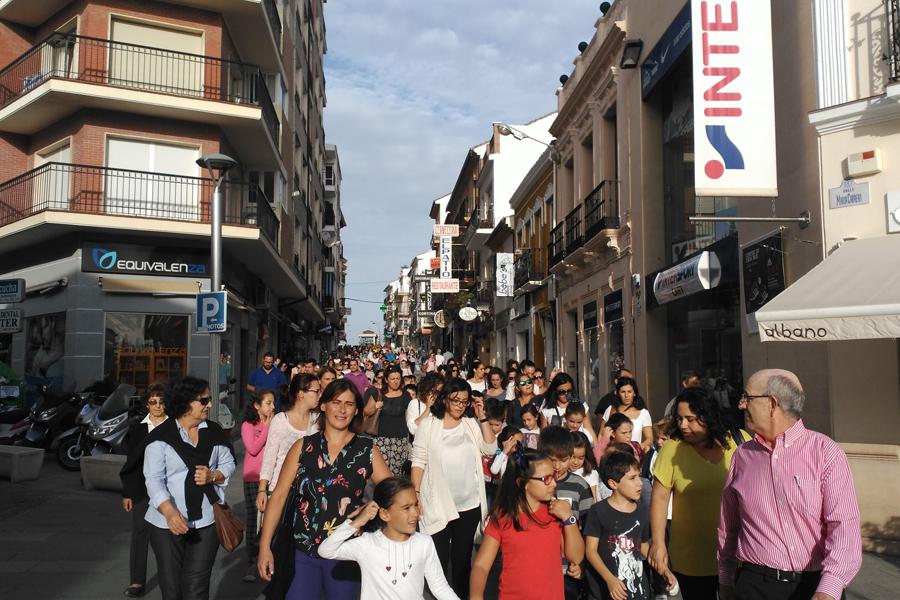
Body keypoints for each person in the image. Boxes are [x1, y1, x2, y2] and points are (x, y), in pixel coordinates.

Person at [718, 370, 862, 600]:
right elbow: (729, 526)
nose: (741, 405)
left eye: (747, 397)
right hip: (754, 584)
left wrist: (829, 589)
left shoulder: (825, 453)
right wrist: (725, 578)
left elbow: (844, 527)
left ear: (772, 403)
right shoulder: (742, 456)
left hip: (814, 585)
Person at [257, 379, 393, 600]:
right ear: (323, 405)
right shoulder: (303, 447)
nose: (341, 409)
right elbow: (280, 496)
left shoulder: (367, 450)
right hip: (302, 551)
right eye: (336, 402)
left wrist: (369, 515)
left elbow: (392, 494)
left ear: (357, 409)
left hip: (345, 553)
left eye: (349, 404)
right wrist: (265, 546)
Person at [647, 386, 749, 599]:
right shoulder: (672, 449)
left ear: (708, 417)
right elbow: (659, 498)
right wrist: (657, 544)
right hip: (691, 559)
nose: (683, 425)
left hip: (738, 553)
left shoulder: (740, 442)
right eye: (680, 419)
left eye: (690, 419)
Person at [143, 377, 236, 600]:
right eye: (204, 400)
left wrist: (213, 475)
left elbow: (228, 462)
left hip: (206, 520)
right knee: (172, 589)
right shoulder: (161, 437)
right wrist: (169, 512)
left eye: (209, 399)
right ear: (185, 402)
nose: (210, 405)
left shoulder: (213, 431)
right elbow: (153, 479)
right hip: (166, 523)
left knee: (196, 589)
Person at [410, 378, 497, 598]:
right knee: (437, 561)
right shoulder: (429, 425)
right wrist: (415, 495)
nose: (459, 405)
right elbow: (418, 461)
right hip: (437, 503)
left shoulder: (470, 424)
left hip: (468, 504)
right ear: (445, 399)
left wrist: (482, 417)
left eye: (464, 402)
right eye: (455, 400)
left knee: (462, 561)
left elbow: (489, 448)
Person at [316, 477, 460, 600]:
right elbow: (326, 550)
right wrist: (357, 522)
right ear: (385, 514)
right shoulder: (367, 544)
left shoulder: (424, 542)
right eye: (406, 508)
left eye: (416, 505)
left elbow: (440, 586)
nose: (415, 513)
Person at [470, 447, 585, 600]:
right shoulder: (503, 517)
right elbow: (481, 566)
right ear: (523, 483)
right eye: (546, 479)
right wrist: (476, 596)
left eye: (554, 477)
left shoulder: (556, 513)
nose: (554, 484)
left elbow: (576, 557)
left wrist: (569, 518)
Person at [584, 452, 676, 600]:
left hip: (639, 592)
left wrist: (663, 570)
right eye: (632, 478)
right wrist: (609, 579)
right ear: (613, 483)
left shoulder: (642, 512)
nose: (640, 483)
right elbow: (590, 551)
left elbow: (643, 545)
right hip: (606, 592)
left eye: (639, 476)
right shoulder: (598, 511)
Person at [120, 383, 168, 598]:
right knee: (140, 534)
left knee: (167, 536)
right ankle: (137, 582)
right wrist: (127, 493)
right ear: (147, 404)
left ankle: (171, 577)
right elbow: (131, 463)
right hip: (141, 489)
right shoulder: (138, 428)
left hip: (169, 489)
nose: (157, 406)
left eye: (161, 401)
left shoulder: (175, 426)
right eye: (153, 402)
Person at [256, 375, 321, 514]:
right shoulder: (280, 420)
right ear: (301, 394)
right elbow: (269, 457)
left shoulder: (318, 421)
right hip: (279, 490)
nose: (319, 395)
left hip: (308, 492)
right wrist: (262, 489)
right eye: (316, 391)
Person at [240, 390, 275, 582]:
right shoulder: (248, 425)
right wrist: (267, 427)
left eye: (273, 403)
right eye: (268, 403)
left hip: (271, 477)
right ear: (257, 405)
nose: (272, 407)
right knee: (254, 518)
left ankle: (268, 556)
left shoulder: (275, 424)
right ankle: (252, 561)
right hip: (253, 476)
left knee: (271, 518)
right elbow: (252, 449)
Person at [363, 365, 412, 476]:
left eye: (398, 378)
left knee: (397, 474)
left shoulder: (406, 395)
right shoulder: (377, 393)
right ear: (386, 379)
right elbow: (366, 412)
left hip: (400, 440)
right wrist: (375, 406)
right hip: (381, 439)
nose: (395, 381)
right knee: (382, 473)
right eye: (392, 379)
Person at [599, 377, 652, 454]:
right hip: (612, 455)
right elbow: (601, 434)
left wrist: (638, 448)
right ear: (618, 393)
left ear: (634, 393)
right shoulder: (611, 410)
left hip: (634, 456)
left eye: (629, 391)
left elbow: (649, 438)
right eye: (623, 392)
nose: (626, 395)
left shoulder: (643, 413)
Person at [570, 431, 601, 501]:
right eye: (572, 457)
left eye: (581, 458)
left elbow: (593, 500)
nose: (576, 462)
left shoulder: (590, 474)